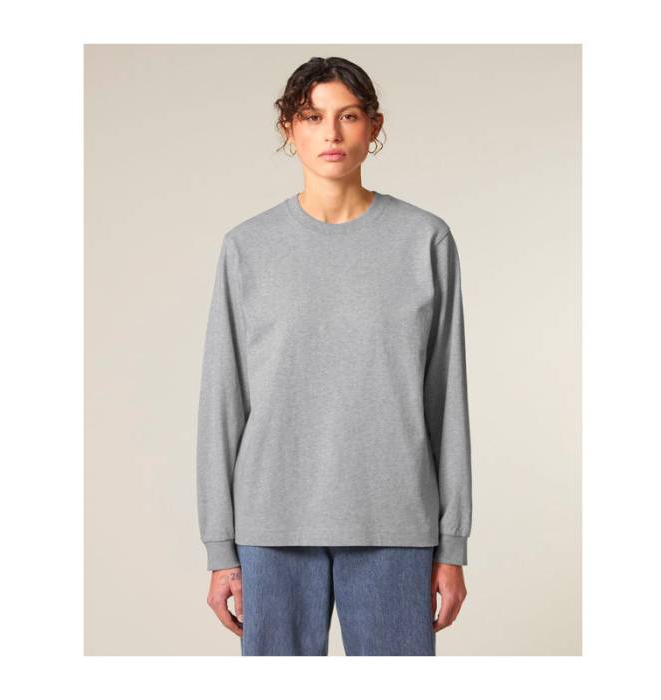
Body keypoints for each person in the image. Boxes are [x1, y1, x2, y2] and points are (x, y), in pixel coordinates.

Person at [196, 56, 472, 656]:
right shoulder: (248, 247)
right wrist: (220, 548)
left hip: (395, 521)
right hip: (271, 525)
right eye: (312, 116)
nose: (331, 133)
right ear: (288, 128)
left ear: (374, 127)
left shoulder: (424, 240)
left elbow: (446, 401)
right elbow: (223, 400)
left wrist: (451, 544)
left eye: (348, 116)